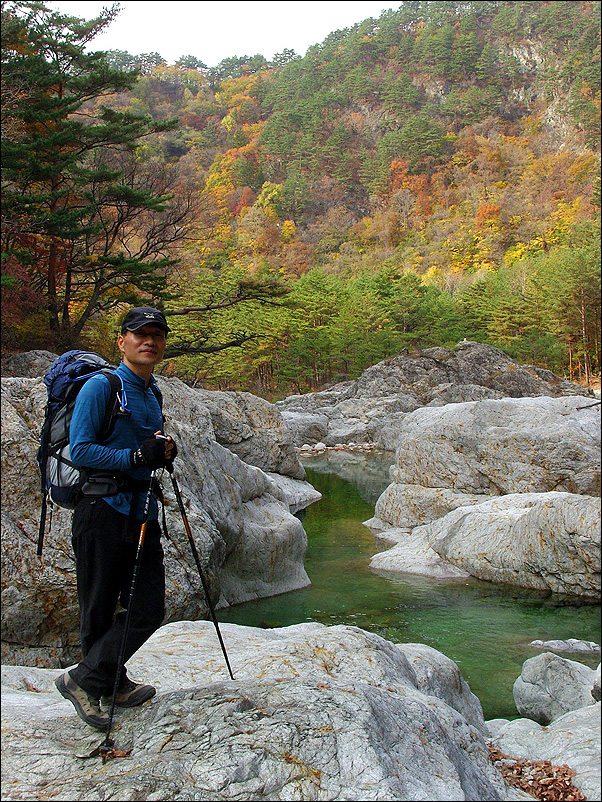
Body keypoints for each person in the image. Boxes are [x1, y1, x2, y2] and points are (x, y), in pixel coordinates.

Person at [54, 306, 177, 731]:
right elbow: (81, 449)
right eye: (140, 334)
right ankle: (104, 683)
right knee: (99, 605)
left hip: (141, 510)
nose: (149, 341)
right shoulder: (100, 387)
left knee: (148, 607)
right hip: (100, 509)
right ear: (121, 341)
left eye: (157, 335)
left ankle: (90, 677)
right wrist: (135, 456)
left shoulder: (152, 391)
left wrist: (160, 452)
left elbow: (143, 448)